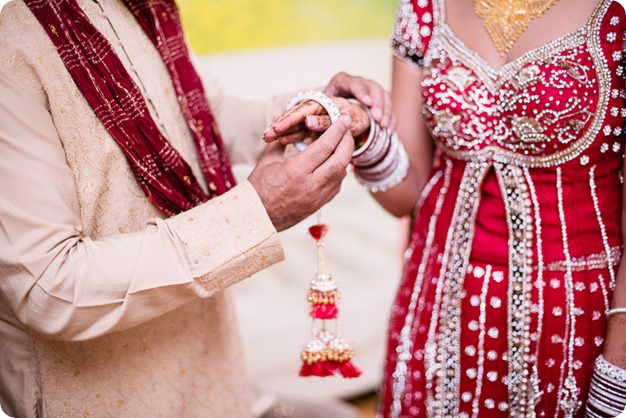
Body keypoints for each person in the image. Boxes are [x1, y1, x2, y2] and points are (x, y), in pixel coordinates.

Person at [0, 0, 393, 417]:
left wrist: (322, 112)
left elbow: (206, 117)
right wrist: (255, 213)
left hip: (217, 386)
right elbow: (49, 290)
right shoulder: (16, 48)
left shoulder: (146, 11)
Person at [267, 0, 626, 416]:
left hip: (573, 318)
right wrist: (361, 132)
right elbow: (407, 192)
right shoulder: (425, 10)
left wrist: (617, 370)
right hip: (437, 305)